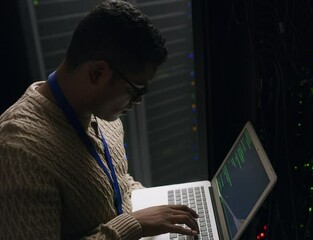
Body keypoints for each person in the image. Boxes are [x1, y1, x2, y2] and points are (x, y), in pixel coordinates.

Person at [0, 0, 200, 239]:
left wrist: (158, 208)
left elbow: (117, 185)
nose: (138, 102)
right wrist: (134, 224)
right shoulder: (18, 151)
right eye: (135, 91)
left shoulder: (104, 115)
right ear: (98, 73)